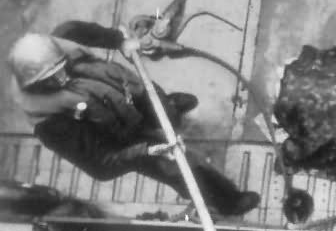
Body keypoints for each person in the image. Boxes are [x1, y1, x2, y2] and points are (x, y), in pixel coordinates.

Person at [7, 22, 259, 217]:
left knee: (158, 101)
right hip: (127, 139)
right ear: (35, 85)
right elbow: (101, 165)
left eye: (61, 67)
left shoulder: (62, 37)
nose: (62, 78)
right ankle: (227, 201)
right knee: (182, 167)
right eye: (51, 78)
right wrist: (147, 151)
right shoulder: (52, 126)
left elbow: (86, 31)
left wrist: (119, 40)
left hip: (129, 96)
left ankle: (169, 109)